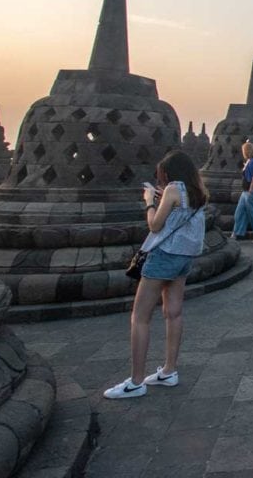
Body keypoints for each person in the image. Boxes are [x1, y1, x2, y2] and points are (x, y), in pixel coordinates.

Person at [104, 150, 207, 399]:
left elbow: (155, 225)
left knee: (140, 317)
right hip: (184, 258)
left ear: (169, 173)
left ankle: (136, 381)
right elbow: (180, 213)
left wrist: (150, 200)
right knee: (173, 312)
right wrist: (163, 199)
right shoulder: (199, 192)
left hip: (164, 256)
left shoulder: (172, 189)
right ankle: (169, 370)